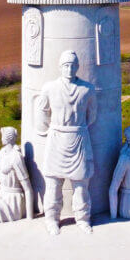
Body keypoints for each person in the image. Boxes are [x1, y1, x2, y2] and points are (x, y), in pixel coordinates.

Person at [36, 50, 97, 235]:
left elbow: (92, 115)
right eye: (66, 65)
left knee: (82, 185)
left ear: (77, 67)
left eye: (72, 65)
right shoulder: (49, 88)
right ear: (60, 67)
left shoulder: (87, 89)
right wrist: (47, 129)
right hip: (56, 140)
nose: (69, 69)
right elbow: (41, 110)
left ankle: (83, 218)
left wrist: (78, 128)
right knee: (53, 184)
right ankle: (52, 219)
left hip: (79, 138)